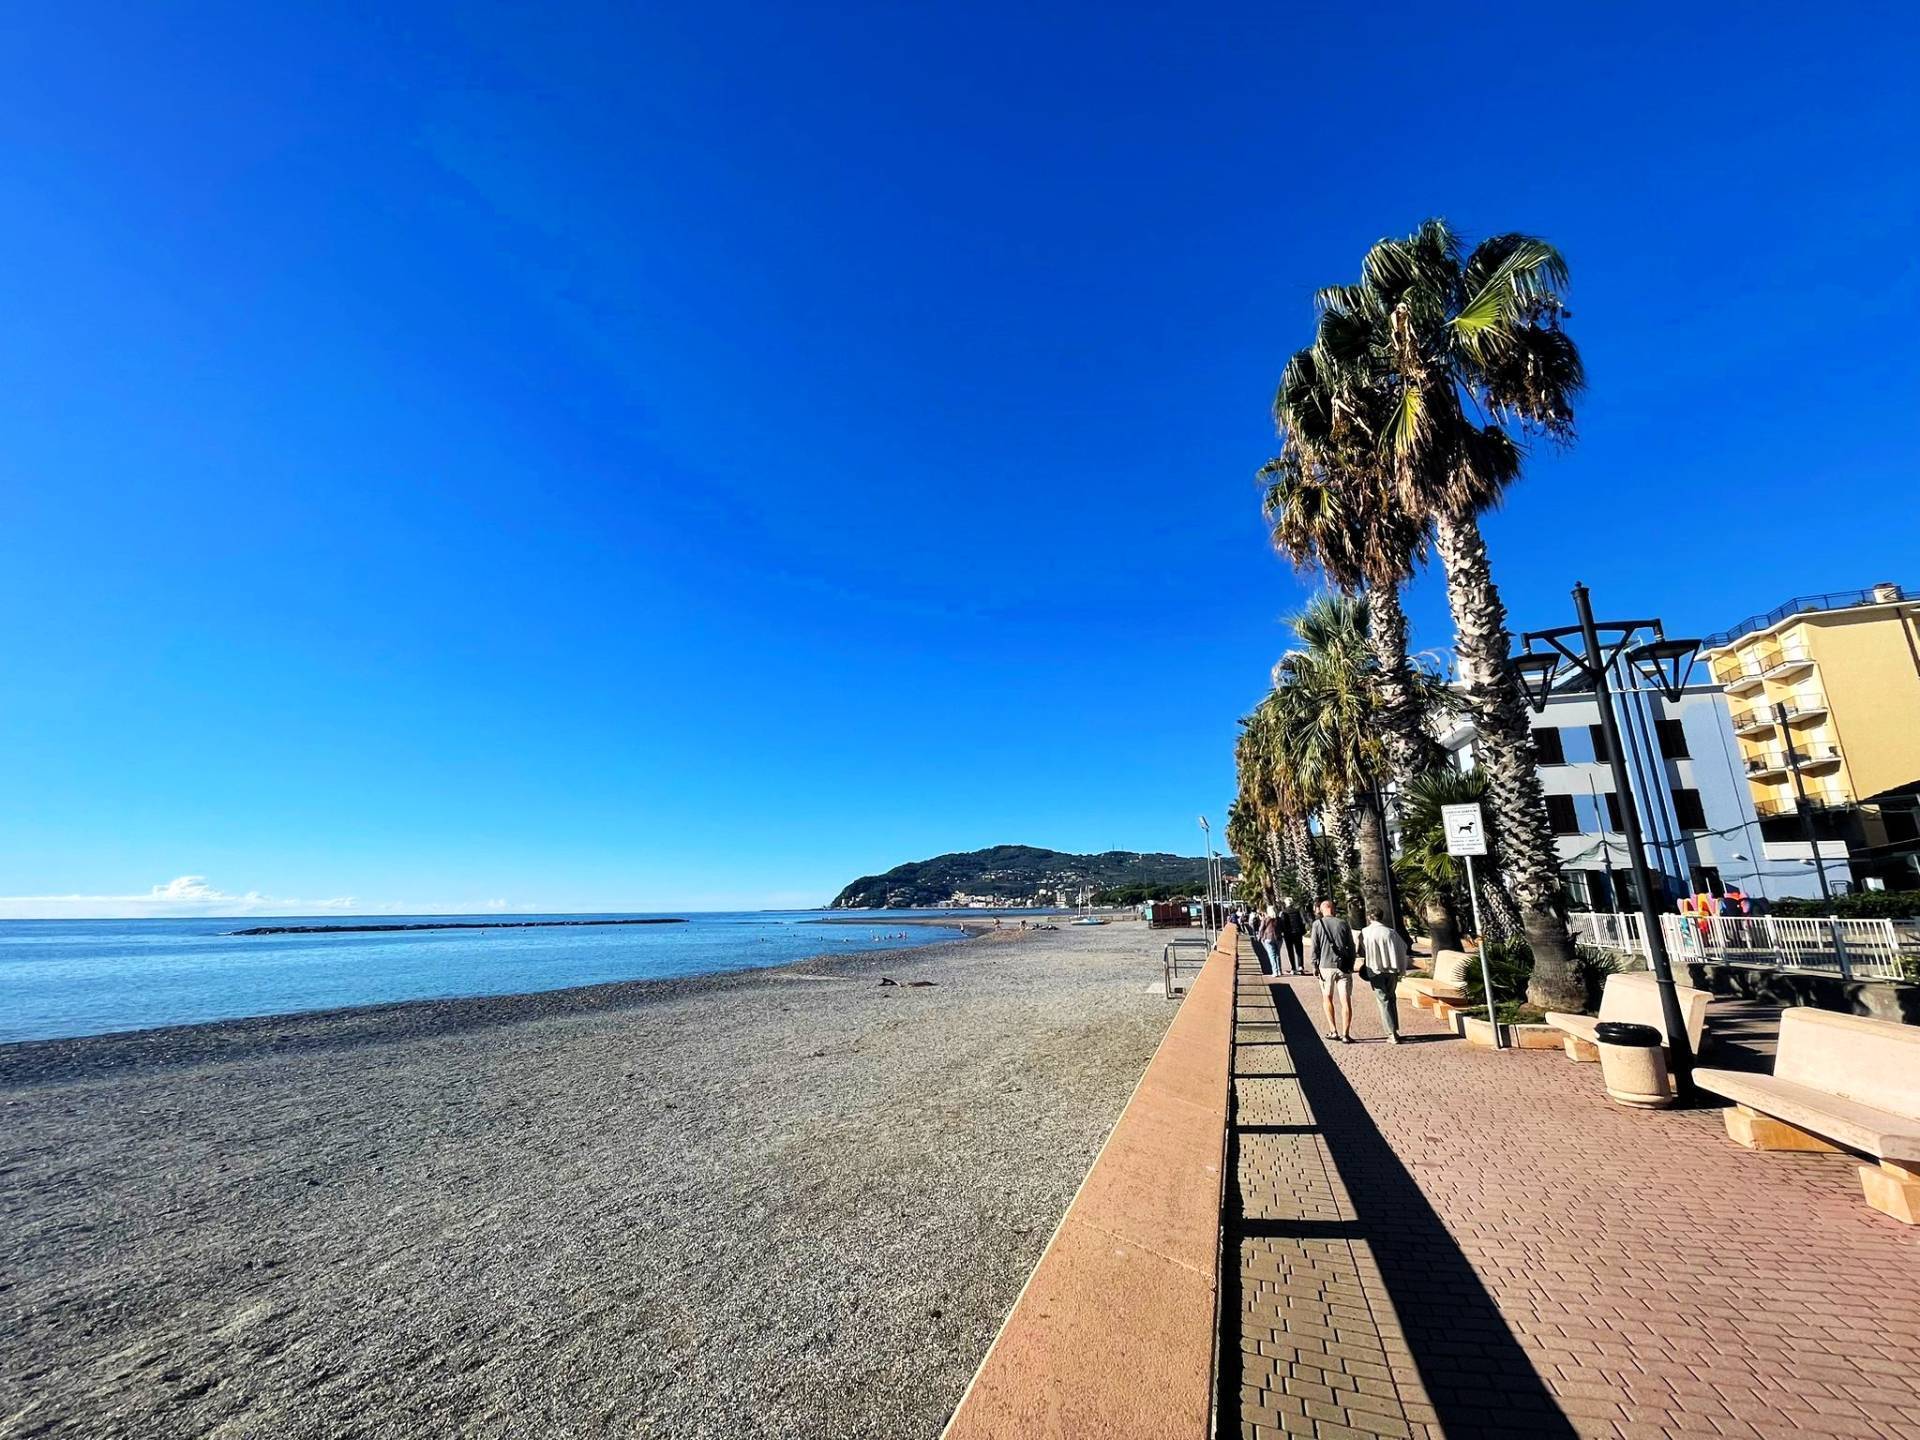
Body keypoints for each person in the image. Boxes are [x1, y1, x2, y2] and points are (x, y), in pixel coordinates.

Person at [1358, 911, 1412, 1044]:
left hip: (1376, 970)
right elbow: (1403, 946)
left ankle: (1391, 1033)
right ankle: (1394, 1030)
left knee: (1383, 1000)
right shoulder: (1390, 932)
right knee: (1391, 997)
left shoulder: (1365, 932)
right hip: (1392, 969)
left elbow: (1360, 950)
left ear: (1369, 917)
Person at [1309, 899, 1357, 1042]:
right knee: (1346, 1001)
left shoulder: (1317, 924)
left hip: (1325, 967)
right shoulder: (1343, 923)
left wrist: (1314, 965)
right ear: (1333, 909)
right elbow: (1352, 946)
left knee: (1327, 998)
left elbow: (1314, 948)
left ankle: (1333, 1030)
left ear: (1322, 909)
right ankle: (1346, 1034)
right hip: (1344, 967)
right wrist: (1351, 963)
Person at [1276, 900, 1306, 977]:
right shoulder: (1297, 911)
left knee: (1290, 951)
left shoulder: (1284, 912)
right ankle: (1300, 966)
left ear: (1286, 904)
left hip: (1288, 934)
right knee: (1299, 950)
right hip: (1298, 933)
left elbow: (1282, 923)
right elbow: (1302, 921)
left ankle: (1293, 968)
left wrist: (1282, 931)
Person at [1254, 906, 1280, 976]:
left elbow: (1261, 929)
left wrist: (1259, 937)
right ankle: (1279, 971)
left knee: (1272, 955)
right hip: (1277, 937)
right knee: (1277, 954)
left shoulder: (1265, 919)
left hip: (1268, 937)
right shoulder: (1278, 919)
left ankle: (1275, 972)